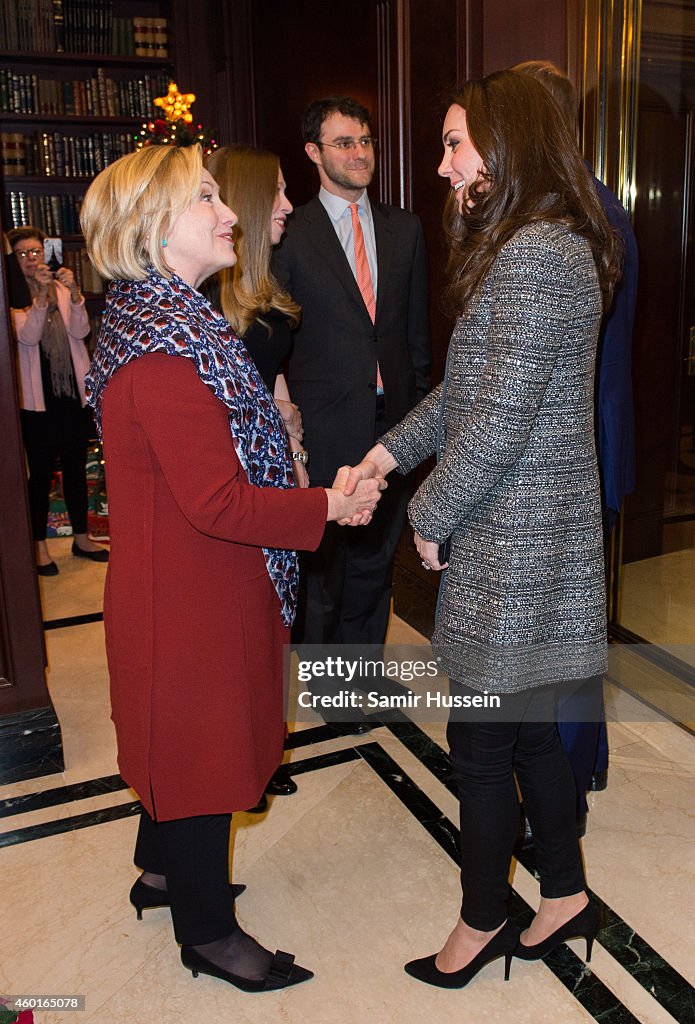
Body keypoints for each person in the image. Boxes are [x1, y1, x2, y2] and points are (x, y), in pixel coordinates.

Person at [80, 143, 384, 993]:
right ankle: (206, 935)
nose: (229, 213)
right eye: (205, 198)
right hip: (186, 597)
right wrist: (323, 505)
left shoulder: (168, 323)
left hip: (197, 584)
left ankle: (161, 873)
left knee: (180, 747)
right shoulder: (164, 351)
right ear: (151, 230)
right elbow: (216, 501)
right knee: (199, 755)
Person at [341, 70, 622, 987]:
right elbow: (466, 395)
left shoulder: (540, 251)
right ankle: (566, 894)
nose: (440, 161)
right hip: (524, 532)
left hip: (520, 541)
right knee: (530, 732)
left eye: (456, 141)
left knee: (483, 741)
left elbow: (498, 422)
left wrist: (428, 514)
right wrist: (387, 457)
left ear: (507, 143)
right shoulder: (533, 242)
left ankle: (479, 922)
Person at [273, 95, 430, 729]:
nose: (359, 152)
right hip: (322, 419)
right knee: (325, 561)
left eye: (364, 140)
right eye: (343, 143)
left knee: (376, 555)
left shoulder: (405, 228)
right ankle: (321, 683)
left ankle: (361, 677)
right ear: (313, 153)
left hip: (393, 420)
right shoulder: (291, 232)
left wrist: (420, 417)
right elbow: (273, 336)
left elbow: (414, 336)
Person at [513, 59, 639, 816]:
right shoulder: (594, 201)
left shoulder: (566, 215)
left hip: (570, 444)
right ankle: (576, 768)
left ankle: (560, 790)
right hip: (591, 437)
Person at [204, 144, 306, 802]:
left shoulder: (264, 293)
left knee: (274, 629)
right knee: (237, 640)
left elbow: (271, 379)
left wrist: (290, 428)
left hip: (274, 473)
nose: (288, 205)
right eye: (275, 193)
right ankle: (238, 759)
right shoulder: (203, 310)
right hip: (232, 495)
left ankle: (261, 749)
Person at [205, 146, 308, 487]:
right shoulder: (205, 295)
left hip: (270, 458)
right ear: (251, 200)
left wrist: (294, 451)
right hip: (230, 471)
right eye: (276, 191)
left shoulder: (264, 280)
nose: (288, 206)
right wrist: (280, 413)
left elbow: (273, 365)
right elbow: (212, 406)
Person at [8, 226, 109, 575]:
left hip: (71, 399)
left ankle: (81, 537)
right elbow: (29, 335)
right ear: (14, 261)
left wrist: (76, 293)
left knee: (77, 470)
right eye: (23, 254)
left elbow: (82, 332)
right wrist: (40, 300)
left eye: (36, 251)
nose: (32, 259)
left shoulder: (64, 291)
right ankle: (38, 545)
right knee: (40, 476)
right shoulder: (13, 298)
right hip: (38, 403)